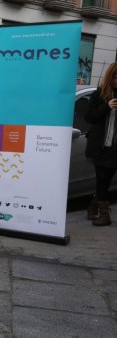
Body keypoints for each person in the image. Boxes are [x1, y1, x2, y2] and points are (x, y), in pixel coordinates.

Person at [84, 62, 117, 226]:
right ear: (110, 77)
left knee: (104, 180)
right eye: (115, 77)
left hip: (114, 148)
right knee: (102, 179)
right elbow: (89, 117)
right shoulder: (99, 94)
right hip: (100, 147)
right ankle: (104, 215)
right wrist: (106, 106)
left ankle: (92, 207)